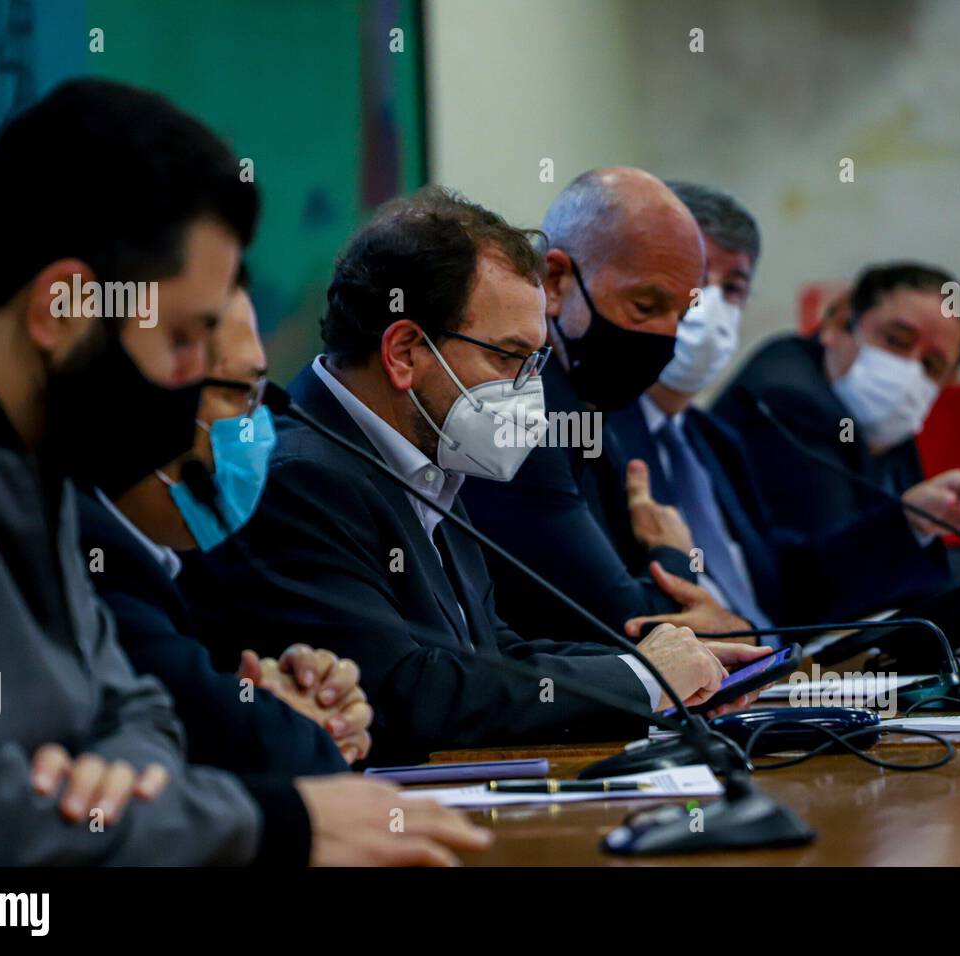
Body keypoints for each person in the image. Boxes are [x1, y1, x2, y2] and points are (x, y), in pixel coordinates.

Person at [0, 78, 486, 866]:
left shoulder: (31, 446)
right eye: (180, 337)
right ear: (61, 308)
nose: (187, 380)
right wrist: (277, 826)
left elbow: (133, 711)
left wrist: (119, 789)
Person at [180, 185, 767, 764]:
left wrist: (671, 661)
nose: (528, 390)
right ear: (405, 351)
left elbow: (489, 649)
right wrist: (642, 677)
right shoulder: (301, 475)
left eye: (535, 362)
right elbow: (405, 692)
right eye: (509, 358)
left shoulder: (421, 453)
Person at [609, 184, 950, 635]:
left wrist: (909, 524)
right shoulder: (596, 430)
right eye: (697, 276)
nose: (709, 306)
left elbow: (792, 585)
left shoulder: (710, 440)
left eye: (732, 288)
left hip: (783, 675)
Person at [79, 269, 373, 774]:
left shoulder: (171, 557)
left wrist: (271, 693)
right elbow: (263, 744)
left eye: (261, 396)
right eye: (240, 393)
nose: (258, 427)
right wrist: (288, 722)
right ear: (143, 400)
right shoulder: (86, 552)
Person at [460, 168, 758, 643]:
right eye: (645, 305)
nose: (666, 335)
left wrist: (734, 631)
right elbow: (627, 630)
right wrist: (672, 550)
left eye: (680, 315)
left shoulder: (588, 404)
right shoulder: (523, 417)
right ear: (555, 282)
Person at [714, 262, 960, 547]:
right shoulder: (790, 402)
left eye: (931, 365)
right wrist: (909, 523)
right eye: (896, 340)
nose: (909, 370)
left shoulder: (886, 431)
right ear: (839, 322)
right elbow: (820, 576)